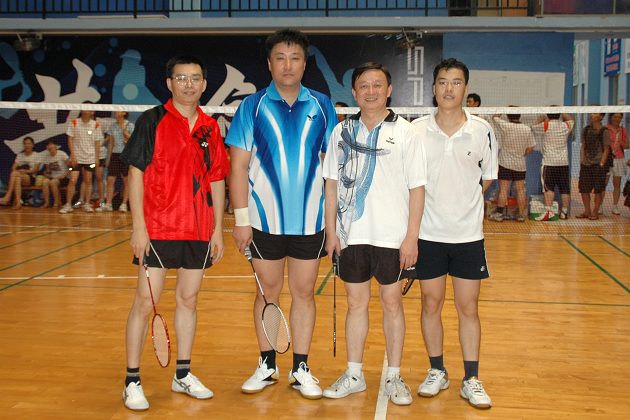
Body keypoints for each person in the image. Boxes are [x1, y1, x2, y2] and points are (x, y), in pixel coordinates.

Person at [225, 29, 337, 400]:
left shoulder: (322, 105)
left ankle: (301, 367)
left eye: (295, 58)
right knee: (267, 293)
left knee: (304, 293)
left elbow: (331, 169)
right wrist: (242, 220)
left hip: (310, 221)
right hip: (263, 222)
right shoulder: (252, 106)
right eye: (280, 58)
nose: (288, 65)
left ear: (304, 64)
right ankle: (267, 364)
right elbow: (238, 167)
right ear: (270, 63)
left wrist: (333, 224)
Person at [120, 55, 229, 411]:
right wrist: (138, 227)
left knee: (188, 300)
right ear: (169, 83)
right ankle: (132, 380)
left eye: (195, 78)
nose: (188, 84)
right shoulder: (152, 121)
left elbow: (217, 178)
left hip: (197, 229)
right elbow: (135, 173)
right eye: (181, 78)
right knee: (145, 302)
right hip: (158, 229)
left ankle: (183, 373)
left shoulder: (210, 128)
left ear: (204, 84)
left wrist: (218, 230)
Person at [321, 62, 427, 406]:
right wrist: (331, 231)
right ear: (354, 92)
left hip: (393, 238)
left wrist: (411, 237)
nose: (371, 91)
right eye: (364, 86)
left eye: (377, 85)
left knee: (392, 303)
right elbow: (331, 184)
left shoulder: (407, 132)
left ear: (389, 90)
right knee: (356, 304)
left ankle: (394, 376)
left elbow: (417, 188)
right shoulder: (341, 132)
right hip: (351, 236)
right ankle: (354, 374)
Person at [411, 58, 498, 409]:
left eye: (456, 82)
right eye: (443, 82)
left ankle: (471, 378)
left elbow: (487, 177)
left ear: (466, 88)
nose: (449, 88)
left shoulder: (482, 130)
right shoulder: (416, 130)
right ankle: (437, 370)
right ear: (433, 88)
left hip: (468, 237)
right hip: (428, 235)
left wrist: (462, 202)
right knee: (430, 303)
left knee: (468, 307)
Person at [489, 110, 536, 222]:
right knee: (520, 190)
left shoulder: (506, 125)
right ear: (519, 115)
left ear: (508, 116)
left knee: (503, 190)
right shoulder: (527, 129)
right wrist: (521, 154)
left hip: (505, 163)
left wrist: (504, 109)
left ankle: (499, 214)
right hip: (520, 165)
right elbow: (530, 148)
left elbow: (494, 117)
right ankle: (521, 215)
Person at [59, 106, 104, 213]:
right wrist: (72, 155)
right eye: (84, 108)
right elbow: (70, 139)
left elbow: (97, 142)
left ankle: (87, 204)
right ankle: (68, 205)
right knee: (73, 180)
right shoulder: (74, 122)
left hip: (90, 158)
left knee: (88, 180)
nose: (85, 110)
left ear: (92, 112)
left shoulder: (96, 125)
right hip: (76, 157)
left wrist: (96, 158)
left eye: (88, 109)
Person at [531, 111, 575, 220]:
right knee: (564, 189)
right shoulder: (566, 125)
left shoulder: (546, 125)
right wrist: (562, 112)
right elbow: (571, 120)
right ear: (559, 115)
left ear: (548, 115)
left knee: (549, 188)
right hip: (563, 163)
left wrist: (542, 117)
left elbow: (533, 127)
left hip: (549, 163)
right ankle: (564, 212)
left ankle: (549, 211)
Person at [576, 113, 610, 220]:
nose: (592, 115)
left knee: (598, 190)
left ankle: (595, 212)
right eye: (592, 113)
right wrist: (582, 161)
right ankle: (587, 211)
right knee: (583, 189)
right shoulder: (586, 130)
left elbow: (606, 149)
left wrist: (601, 164)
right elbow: (583, 146)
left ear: (601, 116)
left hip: (598, 165)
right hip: (586, 165)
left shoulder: (604, 131)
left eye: (595, 113)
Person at [103, 111, 134, 212]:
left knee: (126, 181)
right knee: (110, 180)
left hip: (127, 155)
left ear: (124, 113)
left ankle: (124, 204)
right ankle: (108, 204)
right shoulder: (112, 126)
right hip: (115, 155)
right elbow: (111, 143)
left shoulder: (130, 125)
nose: (115, 112)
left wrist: (126, 134)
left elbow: (135, 141)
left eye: (118, 111)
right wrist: (109, 158)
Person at [0, 136, 40, 209]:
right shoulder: (20, 155)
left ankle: (8, 196)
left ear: (33, 145)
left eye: (29, 143)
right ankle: (18, 203)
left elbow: (36, 170)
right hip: (20, 175)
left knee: (14, 174)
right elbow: (13, 167)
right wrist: (19, 171)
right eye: (25, 144)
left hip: (30, 177)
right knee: (17, 178)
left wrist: (25, 171)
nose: (27, 145)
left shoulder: (36, 155)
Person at [606, 113, 628, 215]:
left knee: (617, 184)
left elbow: (627, 145)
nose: (617, 119)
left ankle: (615, 206)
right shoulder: (606, 129)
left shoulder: (623, 130)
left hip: (619, 159)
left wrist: (624, 144)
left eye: (619, 117)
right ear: (611, 117)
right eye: (615, 117)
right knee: (603, 183)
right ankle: (600, 206)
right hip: (607, 159)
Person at [40, 140, 70, 208]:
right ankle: (47, 202)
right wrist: (46, 173)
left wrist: (64, 175)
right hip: (53, 177)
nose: (49, 146)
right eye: (48, 145)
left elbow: (71, 167)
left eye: (51, 144)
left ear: (56, 146)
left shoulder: (62, 154)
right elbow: (48, 170)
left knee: (53, 182)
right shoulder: (47, 157)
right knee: (45, 182)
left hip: (64, 177)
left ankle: (57, 203)